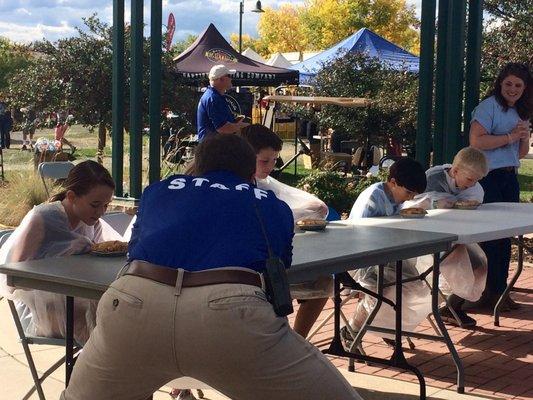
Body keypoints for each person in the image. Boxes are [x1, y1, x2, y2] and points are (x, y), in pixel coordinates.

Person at [61, 134, 362, 400]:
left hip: (136, 302)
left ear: (198, 166)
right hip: (230, 314)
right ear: (250, 171)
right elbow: (278, 267)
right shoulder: (272, 204)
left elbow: (136, 250)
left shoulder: (159, 191)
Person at [0, 160, 120, 344]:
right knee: (99, 325)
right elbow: (15, 277)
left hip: (75, 297)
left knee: (121, 314)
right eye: (95, 204)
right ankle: (97, 369)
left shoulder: (91, 221)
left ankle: (100, 367)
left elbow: (96, 258)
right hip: (37, 306)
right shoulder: (43, 218)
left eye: (106, 205)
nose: (101, 212)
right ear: (71, 196)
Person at [240, 124, 330, 338]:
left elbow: (285, 204)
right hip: (247, 272)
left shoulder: (263, 182)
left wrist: (311, 208)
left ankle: (297, 340)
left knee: (324, 281)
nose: (271, 166)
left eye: (274, 160)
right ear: (244, 155)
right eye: (264, 161)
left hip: (271, 265)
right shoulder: (236, 186)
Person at [343, 158, 428, 347]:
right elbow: (363, 238)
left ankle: (387, 325)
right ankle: (353, 329)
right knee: (385, 290)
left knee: (413, 284)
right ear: (393, 183)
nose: (410, 198)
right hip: (362, 260)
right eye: (408, 192)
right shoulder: (373, 198)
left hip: (385, 257)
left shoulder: (394, 197)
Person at [469, 62, 532, 310]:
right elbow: (476, 141)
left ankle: (498, 291)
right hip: (488, 177)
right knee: (489, 238)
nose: (513, 89)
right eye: (508, 84)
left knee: (505, 236)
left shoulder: (521, 110)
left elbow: (521, 152)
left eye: (518, 85)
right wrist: (510, 137)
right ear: (500, 84)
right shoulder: (488, 107)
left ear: (525, 88)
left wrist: (523, 138)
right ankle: (478, 292)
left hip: (509, 176)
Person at [415, 147, 489, 327]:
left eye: (477, 180)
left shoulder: (474, 188)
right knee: (450, 268)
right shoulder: (432, 178)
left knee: (479, 265)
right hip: (429, 237)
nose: (472, 184)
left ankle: (451, 306)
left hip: (458, 235)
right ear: (455, 171)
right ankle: (435, 305)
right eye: (470, 179)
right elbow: (416, 204)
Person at [196, 65, 249, 142]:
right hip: (213, 147)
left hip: (213, 146)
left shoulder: (213, 96)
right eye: (229, 76)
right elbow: (223, 128)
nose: (231, 78)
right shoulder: (213, 98)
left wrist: (235, 122)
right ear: (221, 79)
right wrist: (242, 126)